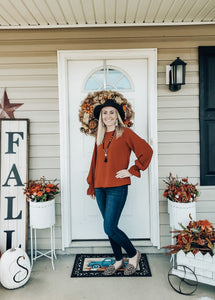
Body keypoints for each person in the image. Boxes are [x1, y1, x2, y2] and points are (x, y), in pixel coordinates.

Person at [87, 97, 153, 276]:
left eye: (112, 112)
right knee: (111, 226)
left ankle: (133, 254)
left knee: (109, 227)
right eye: (105, 112)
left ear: (117, 116)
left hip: (117, 187)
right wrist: (92, 185)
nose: (108, 115)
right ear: (101, 116)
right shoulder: (99, 136)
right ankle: (118, 260)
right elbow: (95, 163)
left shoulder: (125, 132)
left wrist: (131, 170)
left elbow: (147, 151)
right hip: (100, 187)